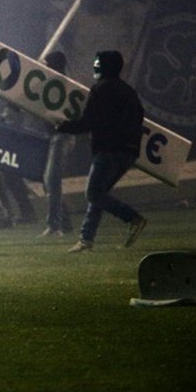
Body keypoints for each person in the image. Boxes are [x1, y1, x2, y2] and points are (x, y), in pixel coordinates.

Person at [55, 50, 147, 252]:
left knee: (93, 194)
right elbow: (140, 117)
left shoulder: (100, 89)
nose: (94, 66)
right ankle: (86, 238)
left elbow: (90, 121)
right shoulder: (129, 91)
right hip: (128, 152)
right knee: (100, 194)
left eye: (97, 63)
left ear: (105, 66)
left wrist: (64, 126)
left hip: (108, 149)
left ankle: (132, 218)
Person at [37, 51, 73, 237]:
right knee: (48, 182)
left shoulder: (62, 86)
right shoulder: (53, 84)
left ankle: (54, 226)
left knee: (51, 180)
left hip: (61, 136)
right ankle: (64, 223)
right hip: (51, 136)